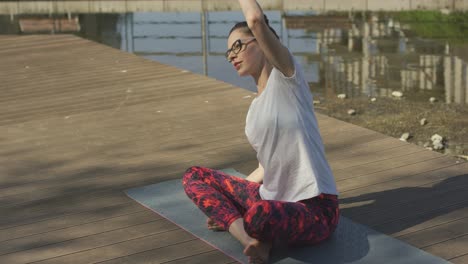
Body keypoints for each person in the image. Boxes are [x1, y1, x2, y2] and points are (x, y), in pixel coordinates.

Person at [182, 1, 339, 263]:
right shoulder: (253, 113)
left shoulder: (288, 78)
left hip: (315, 208)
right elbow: (267, 167)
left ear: (262, 42)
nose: (232, 55)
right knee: (193, 176)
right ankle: (249, 240)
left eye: (238, 46)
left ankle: (251, 228)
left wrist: (234, 208)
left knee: (259, 214)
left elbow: (255, 19)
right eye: (228, 52)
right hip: (271, 199)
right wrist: (226, 199)